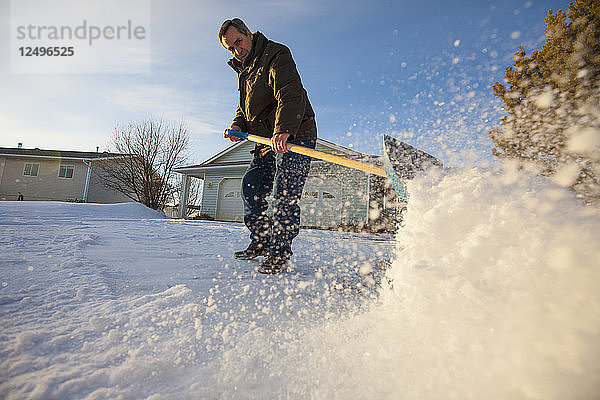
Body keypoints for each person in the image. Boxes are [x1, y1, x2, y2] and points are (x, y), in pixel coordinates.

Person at [218, 18, 317, 274]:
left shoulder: (275, 54)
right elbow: (244, 108)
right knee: (251, 188)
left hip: (293, 135)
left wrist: (284, 129)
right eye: (231, 48)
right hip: (265, 142)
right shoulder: (244, 71)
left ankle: (279, 254)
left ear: (248, 34)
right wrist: (238, 125)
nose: (237, 50)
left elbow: (289, 91)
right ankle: (261, 242)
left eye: (238, 42)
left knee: (285, 195)